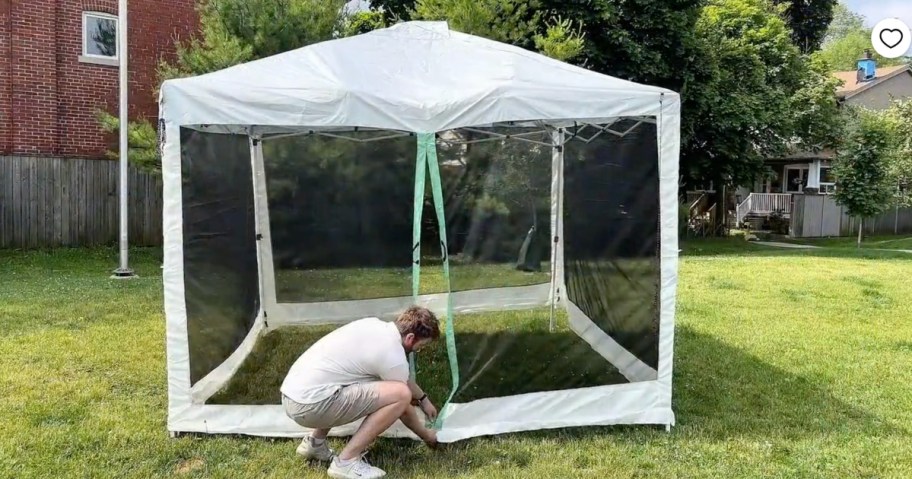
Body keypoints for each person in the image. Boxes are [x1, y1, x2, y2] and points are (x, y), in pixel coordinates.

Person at [280, 305, 441, 479]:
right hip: (310, 406)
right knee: (400, 395)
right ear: (410, 338)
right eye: (422, 345)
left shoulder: (372, 325)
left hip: (291, 395)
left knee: (351, 378)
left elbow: (399, 376)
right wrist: (427, 436)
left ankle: (314, 444)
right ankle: (346, 462)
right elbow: (402, 401)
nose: (419, 350)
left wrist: (423, 399)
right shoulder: (393, 355)